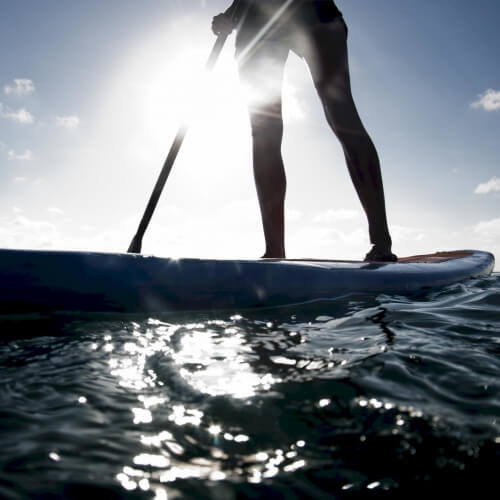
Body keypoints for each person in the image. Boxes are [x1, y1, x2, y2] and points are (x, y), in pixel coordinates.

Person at [212, 0, 397, 261]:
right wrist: (230, 14)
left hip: (312, 13)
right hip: (257, 22)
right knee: (264, 131)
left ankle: (382, 244)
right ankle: (275, 253)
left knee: (342, 116)